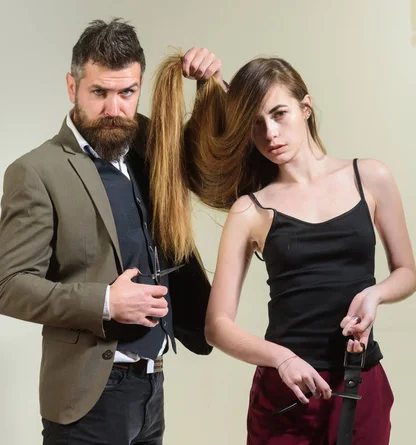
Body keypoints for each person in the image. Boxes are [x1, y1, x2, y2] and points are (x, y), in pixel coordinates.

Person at [148, 55, 416, 444]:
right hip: (286, 395)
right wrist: (282, 358)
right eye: (255, 124)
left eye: (279, 114)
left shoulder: (369, 177)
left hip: (360, 386)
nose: (270, 133)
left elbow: (407, 271)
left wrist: (375, 294)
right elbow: (216, 326)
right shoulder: (250, 209)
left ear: (305, 108)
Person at [0, 19, 225, 444]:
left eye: (126, 93)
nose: (114, 109)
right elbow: (9, 287)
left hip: (151, 388)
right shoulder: (36, 171)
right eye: (99, 93)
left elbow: (218, 169)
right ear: (72, 86)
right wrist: (105, 301)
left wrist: (210, 87)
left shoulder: (149, 141)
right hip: (88, 396)